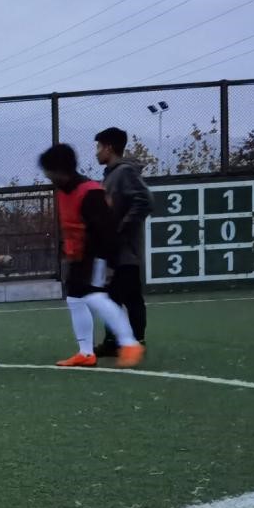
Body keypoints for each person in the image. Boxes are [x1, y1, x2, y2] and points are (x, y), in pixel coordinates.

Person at [38, 143, 144, 369]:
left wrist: (108, 262)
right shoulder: (64, 191)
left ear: (61, 170)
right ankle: (86, 353)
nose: (47, 176)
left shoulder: (90, 192)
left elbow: (106, 230)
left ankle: (130, 343)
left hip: (95, 255)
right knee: (75, 299)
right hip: (78, 255)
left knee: (95, 297)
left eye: (49, 171)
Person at [94, 127, 151, 354]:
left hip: (126, 251)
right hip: (113, 251)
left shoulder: (125, 172)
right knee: (111, 297)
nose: (97, 152)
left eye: (99, 147)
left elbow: (144, 201)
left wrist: (121, 229)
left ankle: (136, 340)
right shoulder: (110, 175)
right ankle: (112, 341)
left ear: (109, 148)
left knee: (130, 295)